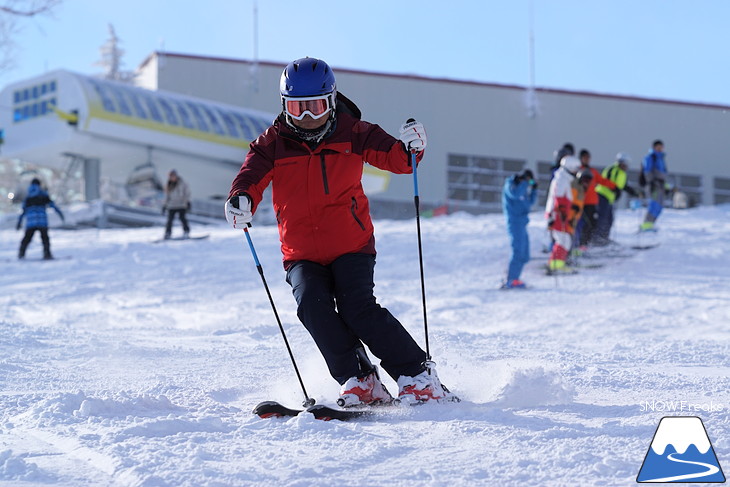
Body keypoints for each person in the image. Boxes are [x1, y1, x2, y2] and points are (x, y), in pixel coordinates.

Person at [224, 57, 455, 406]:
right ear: (284, 106)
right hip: (301, 251)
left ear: (331, 101)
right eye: (297, 109)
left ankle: (418, 376)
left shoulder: (354, 133)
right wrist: (240, 199)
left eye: (315, 107)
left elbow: (396, 158)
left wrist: (412, 147)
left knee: (356, 307)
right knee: (311, 307)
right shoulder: (272, 144)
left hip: (351, 244)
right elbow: (250, 176)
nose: (307, 118)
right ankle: (360, 379)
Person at [501, 169, 538, 289]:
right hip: (514, 223)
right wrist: (525, 183)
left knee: (524, 254)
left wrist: (534, 190)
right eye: (528, 180)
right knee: (517, 251)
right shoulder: (511, 185)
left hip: (522, 223)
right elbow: (514, 194)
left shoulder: (523, 189)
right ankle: (511, 279)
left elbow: (529, 203)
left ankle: (513, 276)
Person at [594, 153, 639, 246]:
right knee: (602, 218)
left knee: (610, 219)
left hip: (610, 199)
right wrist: (615, 189)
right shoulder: (613, 169)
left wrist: (634, 192)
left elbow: (623, 186)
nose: (627, 166)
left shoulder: (623, 173)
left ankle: (604, 238)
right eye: (625, 164)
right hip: (602, 195)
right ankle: (597, 239)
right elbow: (606, 181)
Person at [545, 155, 581, 272]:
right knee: (563, 240)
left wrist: (571, 207)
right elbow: (558, 197)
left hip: (561, 213)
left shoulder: (563, 178)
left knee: (565, 240)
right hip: (558, 215)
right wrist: (561, 211)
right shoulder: (561, 179)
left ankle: (557, 263)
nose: (576, 172)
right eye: (575, 169)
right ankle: (555, 265)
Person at [16, 178, 65, 260]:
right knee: (45, 239)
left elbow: (23, 211)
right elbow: (53, 206)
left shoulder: (28, 197)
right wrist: (60, 214)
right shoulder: (43, 194)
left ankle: (21, 254)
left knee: (27, 238)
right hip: (42, 221)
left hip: (31, 222)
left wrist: (19, 222)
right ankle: (47, 254)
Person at [575, 149, 615, 249]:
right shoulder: (577, 170)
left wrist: (615, 186)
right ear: (580, 158)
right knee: (581, 224)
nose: (587, 160)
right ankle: (580, 243)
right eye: (585, 158)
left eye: (588, 158)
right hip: (581, 201)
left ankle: (587, 243)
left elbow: (602, 180)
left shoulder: (592, 171)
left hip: (592, 202)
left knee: (592, 224)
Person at [639, 140, 667, 232]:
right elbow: (647, 170)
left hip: (660, 185)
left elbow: (663, 174)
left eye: (661, 147)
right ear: (654, 147)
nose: (660, 149)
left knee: (659, 206)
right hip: (653, 185)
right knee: (653, 205)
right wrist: (650, 182)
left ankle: (650, 225)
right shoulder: (651, 157)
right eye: (658, 147)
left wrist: (666, 186)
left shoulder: (661, 158)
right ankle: (646, 226)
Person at [162, 169, 192, 239]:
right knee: (170, 220)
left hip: (181, 204)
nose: (171, 178)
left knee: (182, 218)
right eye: (170, 176)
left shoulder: (183, 183)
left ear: (176, 176)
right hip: (172, 205)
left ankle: (186, 232)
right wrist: (164, 205)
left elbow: (187, 193)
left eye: (173, 176)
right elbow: (166, 196)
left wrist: (188, 202)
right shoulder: (168, 185)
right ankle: (168, 233)